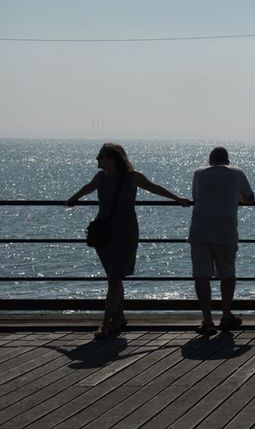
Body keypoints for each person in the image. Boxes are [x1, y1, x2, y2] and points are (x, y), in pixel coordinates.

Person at [66, 143, 190, 339]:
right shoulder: (100, 177)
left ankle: (106, 324)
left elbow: (155, 188)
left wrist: (178, 199)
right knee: (114, 277)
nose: (97, 159)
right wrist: (72, 199)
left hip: (125, 232)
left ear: (112, 158)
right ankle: (120, 318)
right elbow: (86, 189)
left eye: (100, 156)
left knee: (115, 278)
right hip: (104, 232)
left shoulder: (133, 177)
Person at [188, 147, 255, 335]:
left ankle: (207, 321)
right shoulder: (237, 172)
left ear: (209, 160)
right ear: (228, 160)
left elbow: (196, 197)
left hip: (199, 229)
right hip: (225, 230)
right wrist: (235, 198)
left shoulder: (198, 173)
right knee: (227, 273)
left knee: (201, 275)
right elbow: (250, 198)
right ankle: (226, 315)